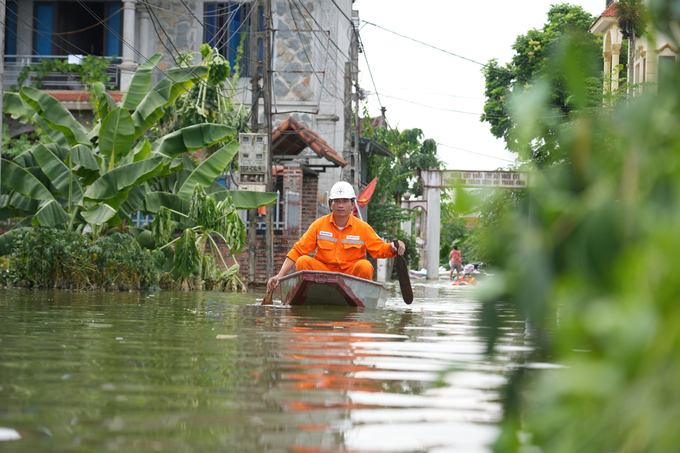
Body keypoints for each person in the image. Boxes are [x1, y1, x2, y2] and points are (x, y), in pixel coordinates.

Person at [267, 181, 406, 292]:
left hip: (351, 276)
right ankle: (312, 293)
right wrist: (279, 276)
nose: (341, 205)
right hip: (323, 274)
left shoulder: (363, 228)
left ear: (352, 205)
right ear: (330, 204)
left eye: (345, 201)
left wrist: (394, 247)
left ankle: (360, 296)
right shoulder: (319, 225)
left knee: (365, 265)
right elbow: (298, 250)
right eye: (336, 201)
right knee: (303, 261)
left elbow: (380, 249)